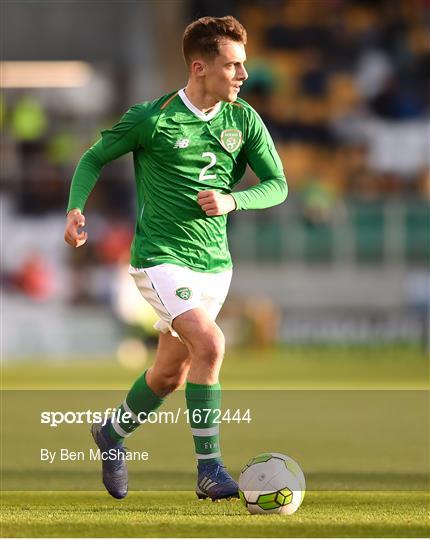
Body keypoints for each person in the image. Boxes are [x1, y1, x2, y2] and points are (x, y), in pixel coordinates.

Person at [64, 15, 287, 502]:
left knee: (170, 374)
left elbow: (278, 185)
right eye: (233, 66)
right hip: (160, 258)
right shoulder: (153, 118)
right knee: (210, 344)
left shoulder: (244, 119)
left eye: (243, 65)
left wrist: (234, 200)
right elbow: (94, 157)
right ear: (200, 66)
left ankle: (111, 434)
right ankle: (209, 471)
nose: (243, 75)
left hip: (215, 264)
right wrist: (76, 208)